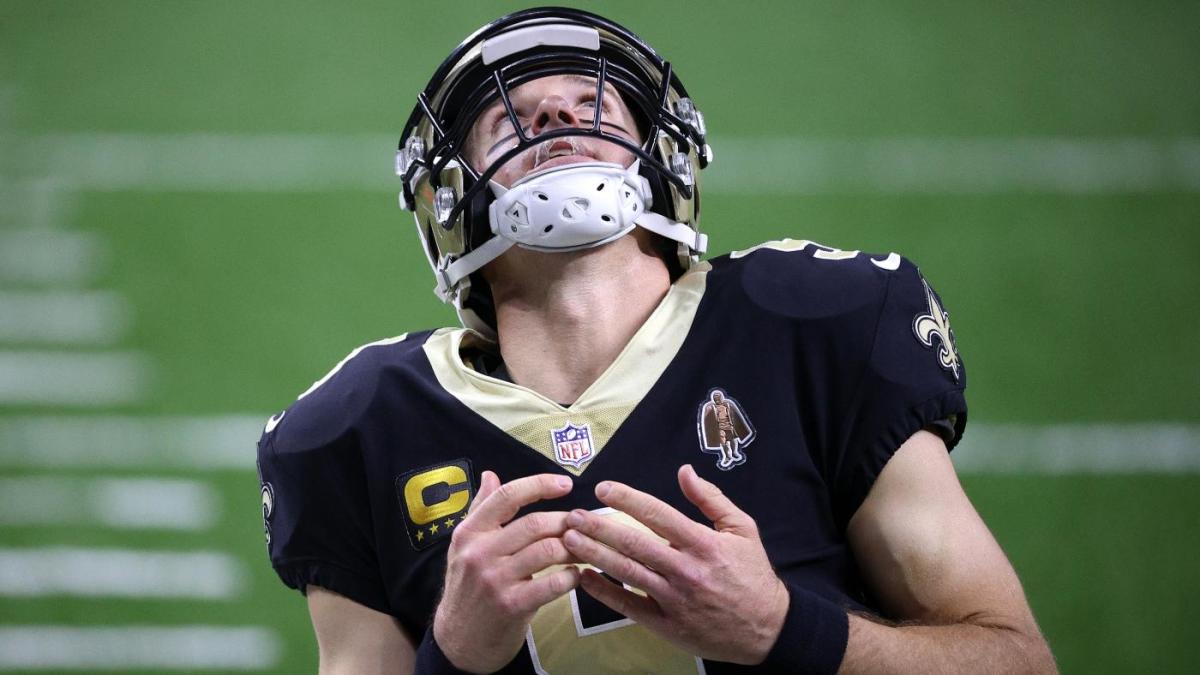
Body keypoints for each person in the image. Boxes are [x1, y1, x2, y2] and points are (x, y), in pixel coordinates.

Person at [256, 7, 1055, 674]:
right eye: (512, 117)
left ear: (665, 153)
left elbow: (1017, 657)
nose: (556, 115)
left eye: (590, 101)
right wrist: (453, 654)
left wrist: (786, 628)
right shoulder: (357, 428)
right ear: (451, 200)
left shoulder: (811, 327)